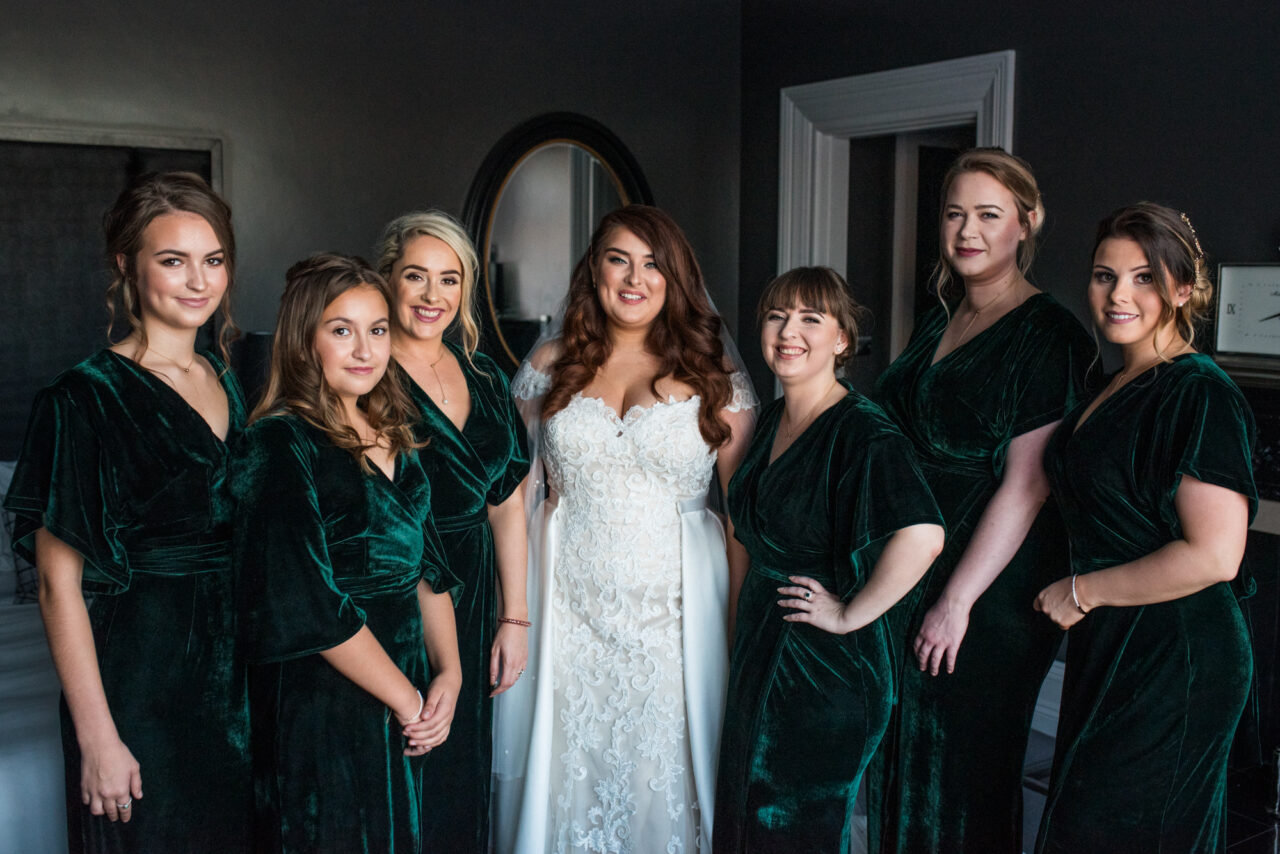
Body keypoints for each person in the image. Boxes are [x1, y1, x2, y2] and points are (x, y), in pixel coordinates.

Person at [492, 205, 757, 853]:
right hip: (568, 612)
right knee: (571, 772)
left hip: (676, 619)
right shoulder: (551, 364)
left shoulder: (711, 375)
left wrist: (738, 635)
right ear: (595, 270)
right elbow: (514, 492)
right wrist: (515, 615)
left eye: (652, 263)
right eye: (619, 259)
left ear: (675, 278)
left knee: (659, 776)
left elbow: (743, 519)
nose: (634, 278)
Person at [3, 172, 252, 852]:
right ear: (126, 267)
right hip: (141, 679)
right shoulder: (81, 400)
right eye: (173, 261)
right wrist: (98, 736)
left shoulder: (229, 377)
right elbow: (58, 586)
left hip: (238, 677)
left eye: (214, 259)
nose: (199, 281)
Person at [870, 148, 1094, 853]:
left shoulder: (1050, 335)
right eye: (955, 213)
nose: (968, 230)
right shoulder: (940, 319)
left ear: (1026, 225)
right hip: (916, 566)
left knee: (966, 775)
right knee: (904, 761)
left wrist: (955, 601)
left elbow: (1029, 483)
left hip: (988, 591)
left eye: (989, 215)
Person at [1033, 204, 1256, 853]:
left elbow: (1215, 555)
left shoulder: (1199, 392)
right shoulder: (1110, 383)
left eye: (1144, 278)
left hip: (1177, 650)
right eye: (1105, 276)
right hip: (1114, 643)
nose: (1118, 294)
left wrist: (1082, 591)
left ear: (1183, 290)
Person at [231, 253, 462, 854]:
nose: (364, 349)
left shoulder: (398, 433)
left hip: (406, 688)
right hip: (323, 697)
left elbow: (427, 568)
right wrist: (407, 699)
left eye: (377, 329)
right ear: (305, 343)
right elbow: (306, 602)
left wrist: (449, 674)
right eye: (341, 330)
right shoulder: (278, 442)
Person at [714, 267, 944, 853]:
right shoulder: (768, 424)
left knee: (795, 830)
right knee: (747, 820)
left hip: (826, 669)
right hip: (764, 648)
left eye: (810, 318)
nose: (789, 331)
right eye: (777, 316)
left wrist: (848, 614)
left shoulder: (864, 432)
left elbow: (923, 535)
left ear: (842, 340)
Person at [375, 210, 530, 853]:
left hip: (473, 597)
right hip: (394, 596)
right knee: (401, 764)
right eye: (416, 276)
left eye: (449, 279)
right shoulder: (364, 377)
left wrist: (513, 618)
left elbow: (507, 504)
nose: (432, 296)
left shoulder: (488, 378)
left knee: (462, 773)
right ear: (386, 279)